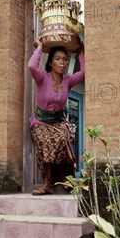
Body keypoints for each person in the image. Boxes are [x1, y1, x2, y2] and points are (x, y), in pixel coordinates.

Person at [28, 39, 85, 195]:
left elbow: (83, 72)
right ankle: (47, 185)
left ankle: (65, 178)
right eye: (58, 59)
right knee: (45, 142)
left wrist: (80, 52)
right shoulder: (42, 77)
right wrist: (39, 48)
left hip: (59, 122)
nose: (62, 62)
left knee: (62, 138)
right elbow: (31, 66)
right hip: (40, 121)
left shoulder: (68, 81)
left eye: (65, 59)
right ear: (51, 63)